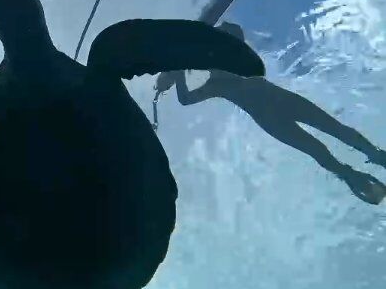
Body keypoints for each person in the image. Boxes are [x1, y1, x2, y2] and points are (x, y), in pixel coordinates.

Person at [156, 22, 386, 205]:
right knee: (317, 151)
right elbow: (185, 100)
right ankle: (352, 177)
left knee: (335, 129)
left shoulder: (236, 58)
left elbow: (233, 29)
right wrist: (177, 73)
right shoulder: (216, 85)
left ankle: (375, 154)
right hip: (273, 121)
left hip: (286, 103)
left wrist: (200, 38)